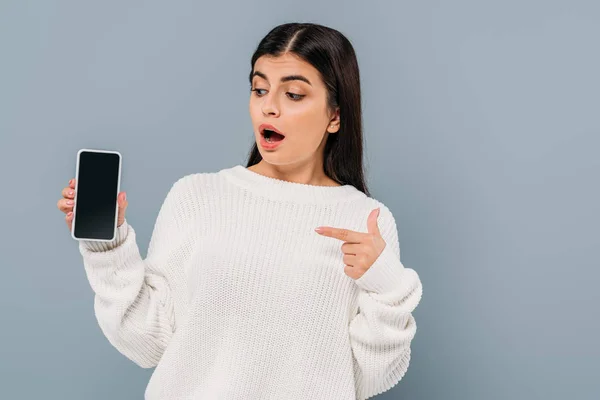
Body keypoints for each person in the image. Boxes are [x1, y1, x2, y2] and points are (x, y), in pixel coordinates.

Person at [57, 22, 423, 400]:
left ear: (335, 115)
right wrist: (109, 246)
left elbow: (368, 379)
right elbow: (147, 341)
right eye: (260, 89)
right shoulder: (198, 196)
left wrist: (389, 288)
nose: (269, 106)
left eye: (294, 94)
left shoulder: (366, 222)